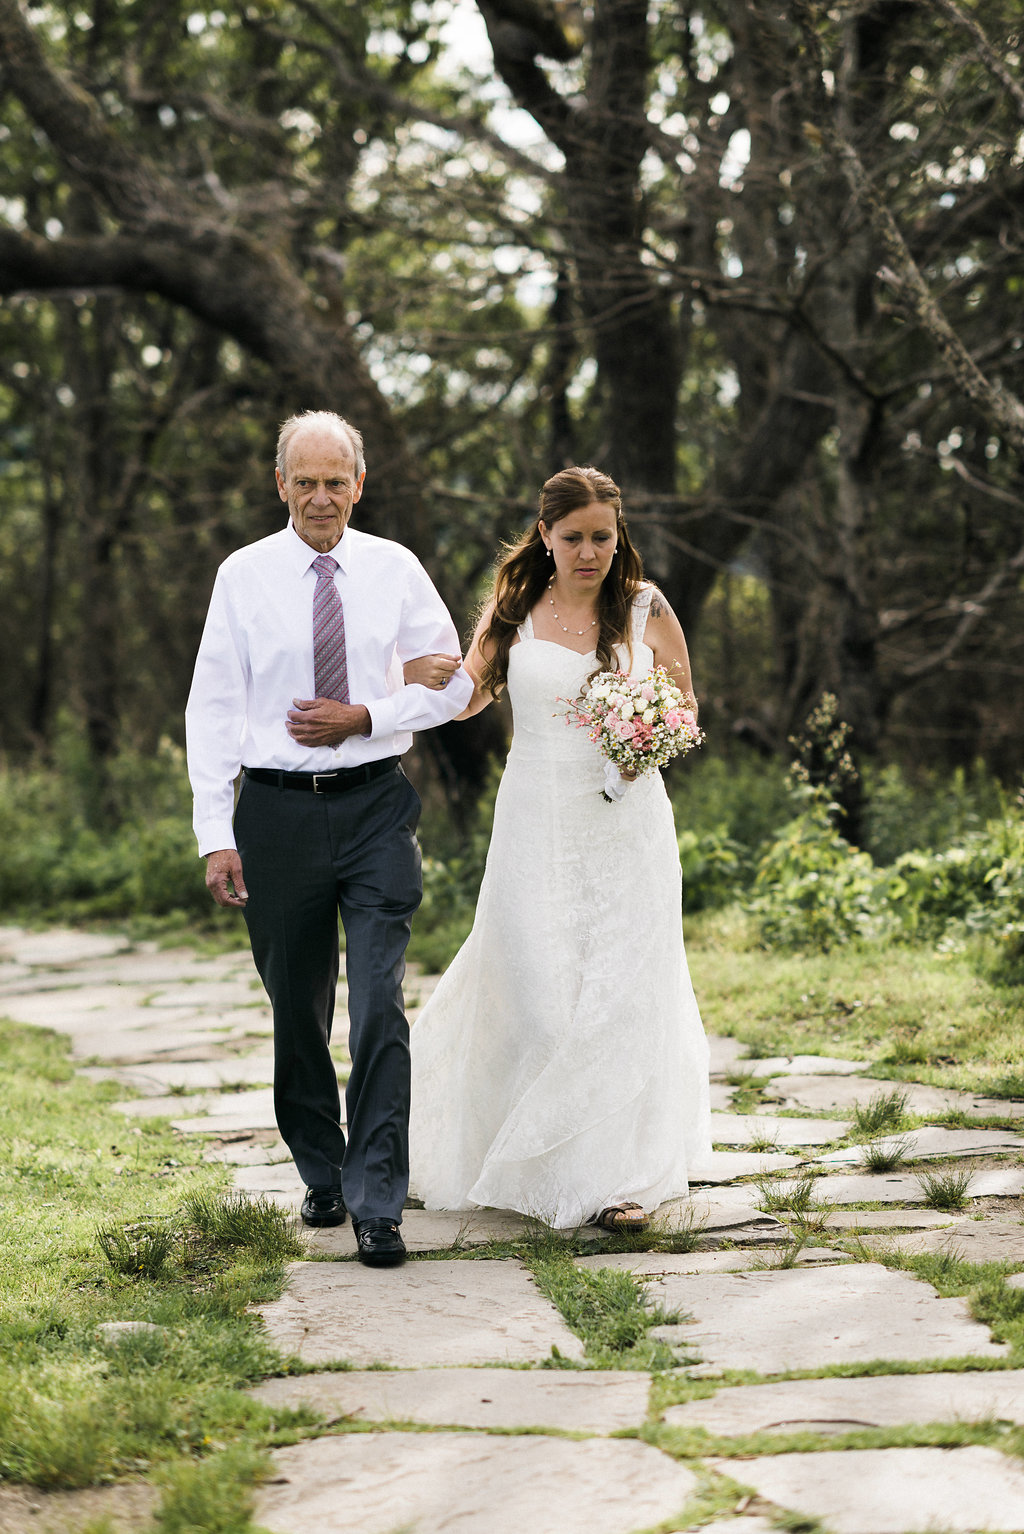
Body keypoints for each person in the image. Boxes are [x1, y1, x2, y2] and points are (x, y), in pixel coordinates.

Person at [185, 410, 470, 1266]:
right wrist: (214, 830)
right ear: (281, 486)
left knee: (381, 1000)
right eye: (304, 482)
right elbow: (213, 708)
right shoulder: (243, 576)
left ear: (360, 483)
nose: (320, 497)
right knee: (298, 1006)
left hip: (377, 804)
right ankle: (323, 1167)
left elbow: (452, 683)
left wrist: (368, 713)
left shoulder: (394, 569)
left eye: (335, 481)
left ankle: (378, 1202)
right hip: (271, 813)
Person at [405, 466, 711, 1232]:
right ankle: (526, 1155)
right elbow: (467, 699)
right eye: (572, 537)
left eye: (601, 537)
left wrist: (647, 740)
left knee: (618, 994)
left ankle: (614, 1182)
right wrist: (420, 677)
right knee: (538, 995)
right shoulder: (514, 612)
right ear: (544, 535)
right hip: (535, 820)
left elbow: (683, 707)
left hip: (626, 824)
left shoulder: (643, 608)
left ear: (618, 534)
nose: (587, 552)